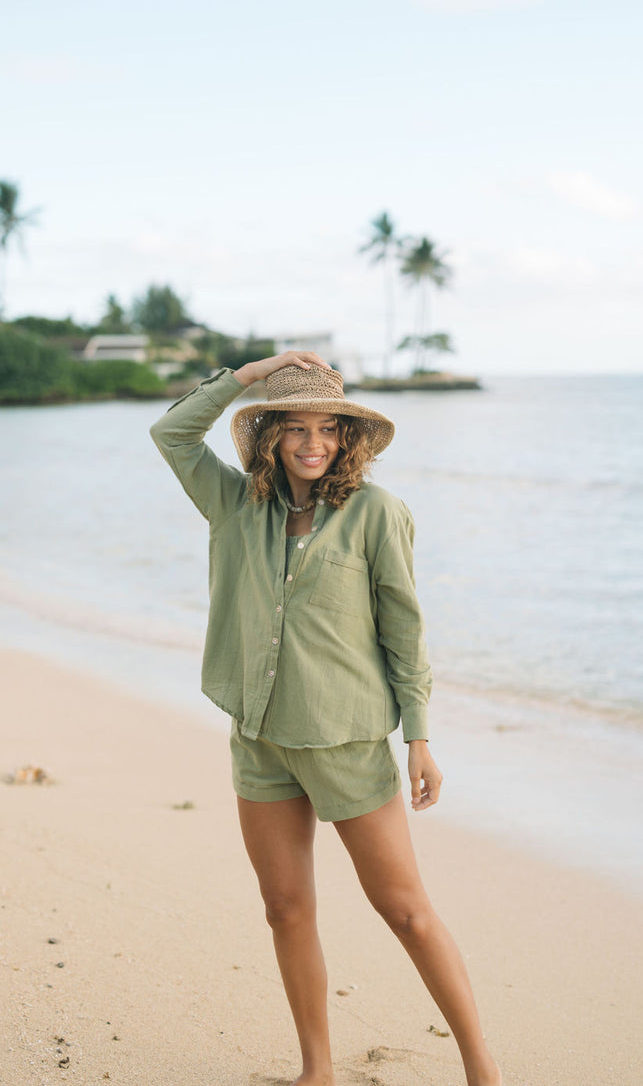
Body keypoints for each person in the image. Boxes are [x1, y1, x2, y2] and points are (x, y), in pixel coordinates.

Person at [150, 350, 501, 1086]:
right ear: (270, 435)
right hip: (259, 739)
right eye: (296, 428)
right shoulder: (236, 503)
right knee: (284, 908)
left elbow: (405, 631)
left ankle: (483, 1071)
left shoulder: (377, 513)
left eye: (329, 429)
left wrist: (421, 740)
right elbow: (173, 434)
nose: (313, 443)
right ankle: (318, 1070)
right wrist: (251, 372)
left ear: (348, 437)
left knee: (405, 911)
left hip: (346, 742)